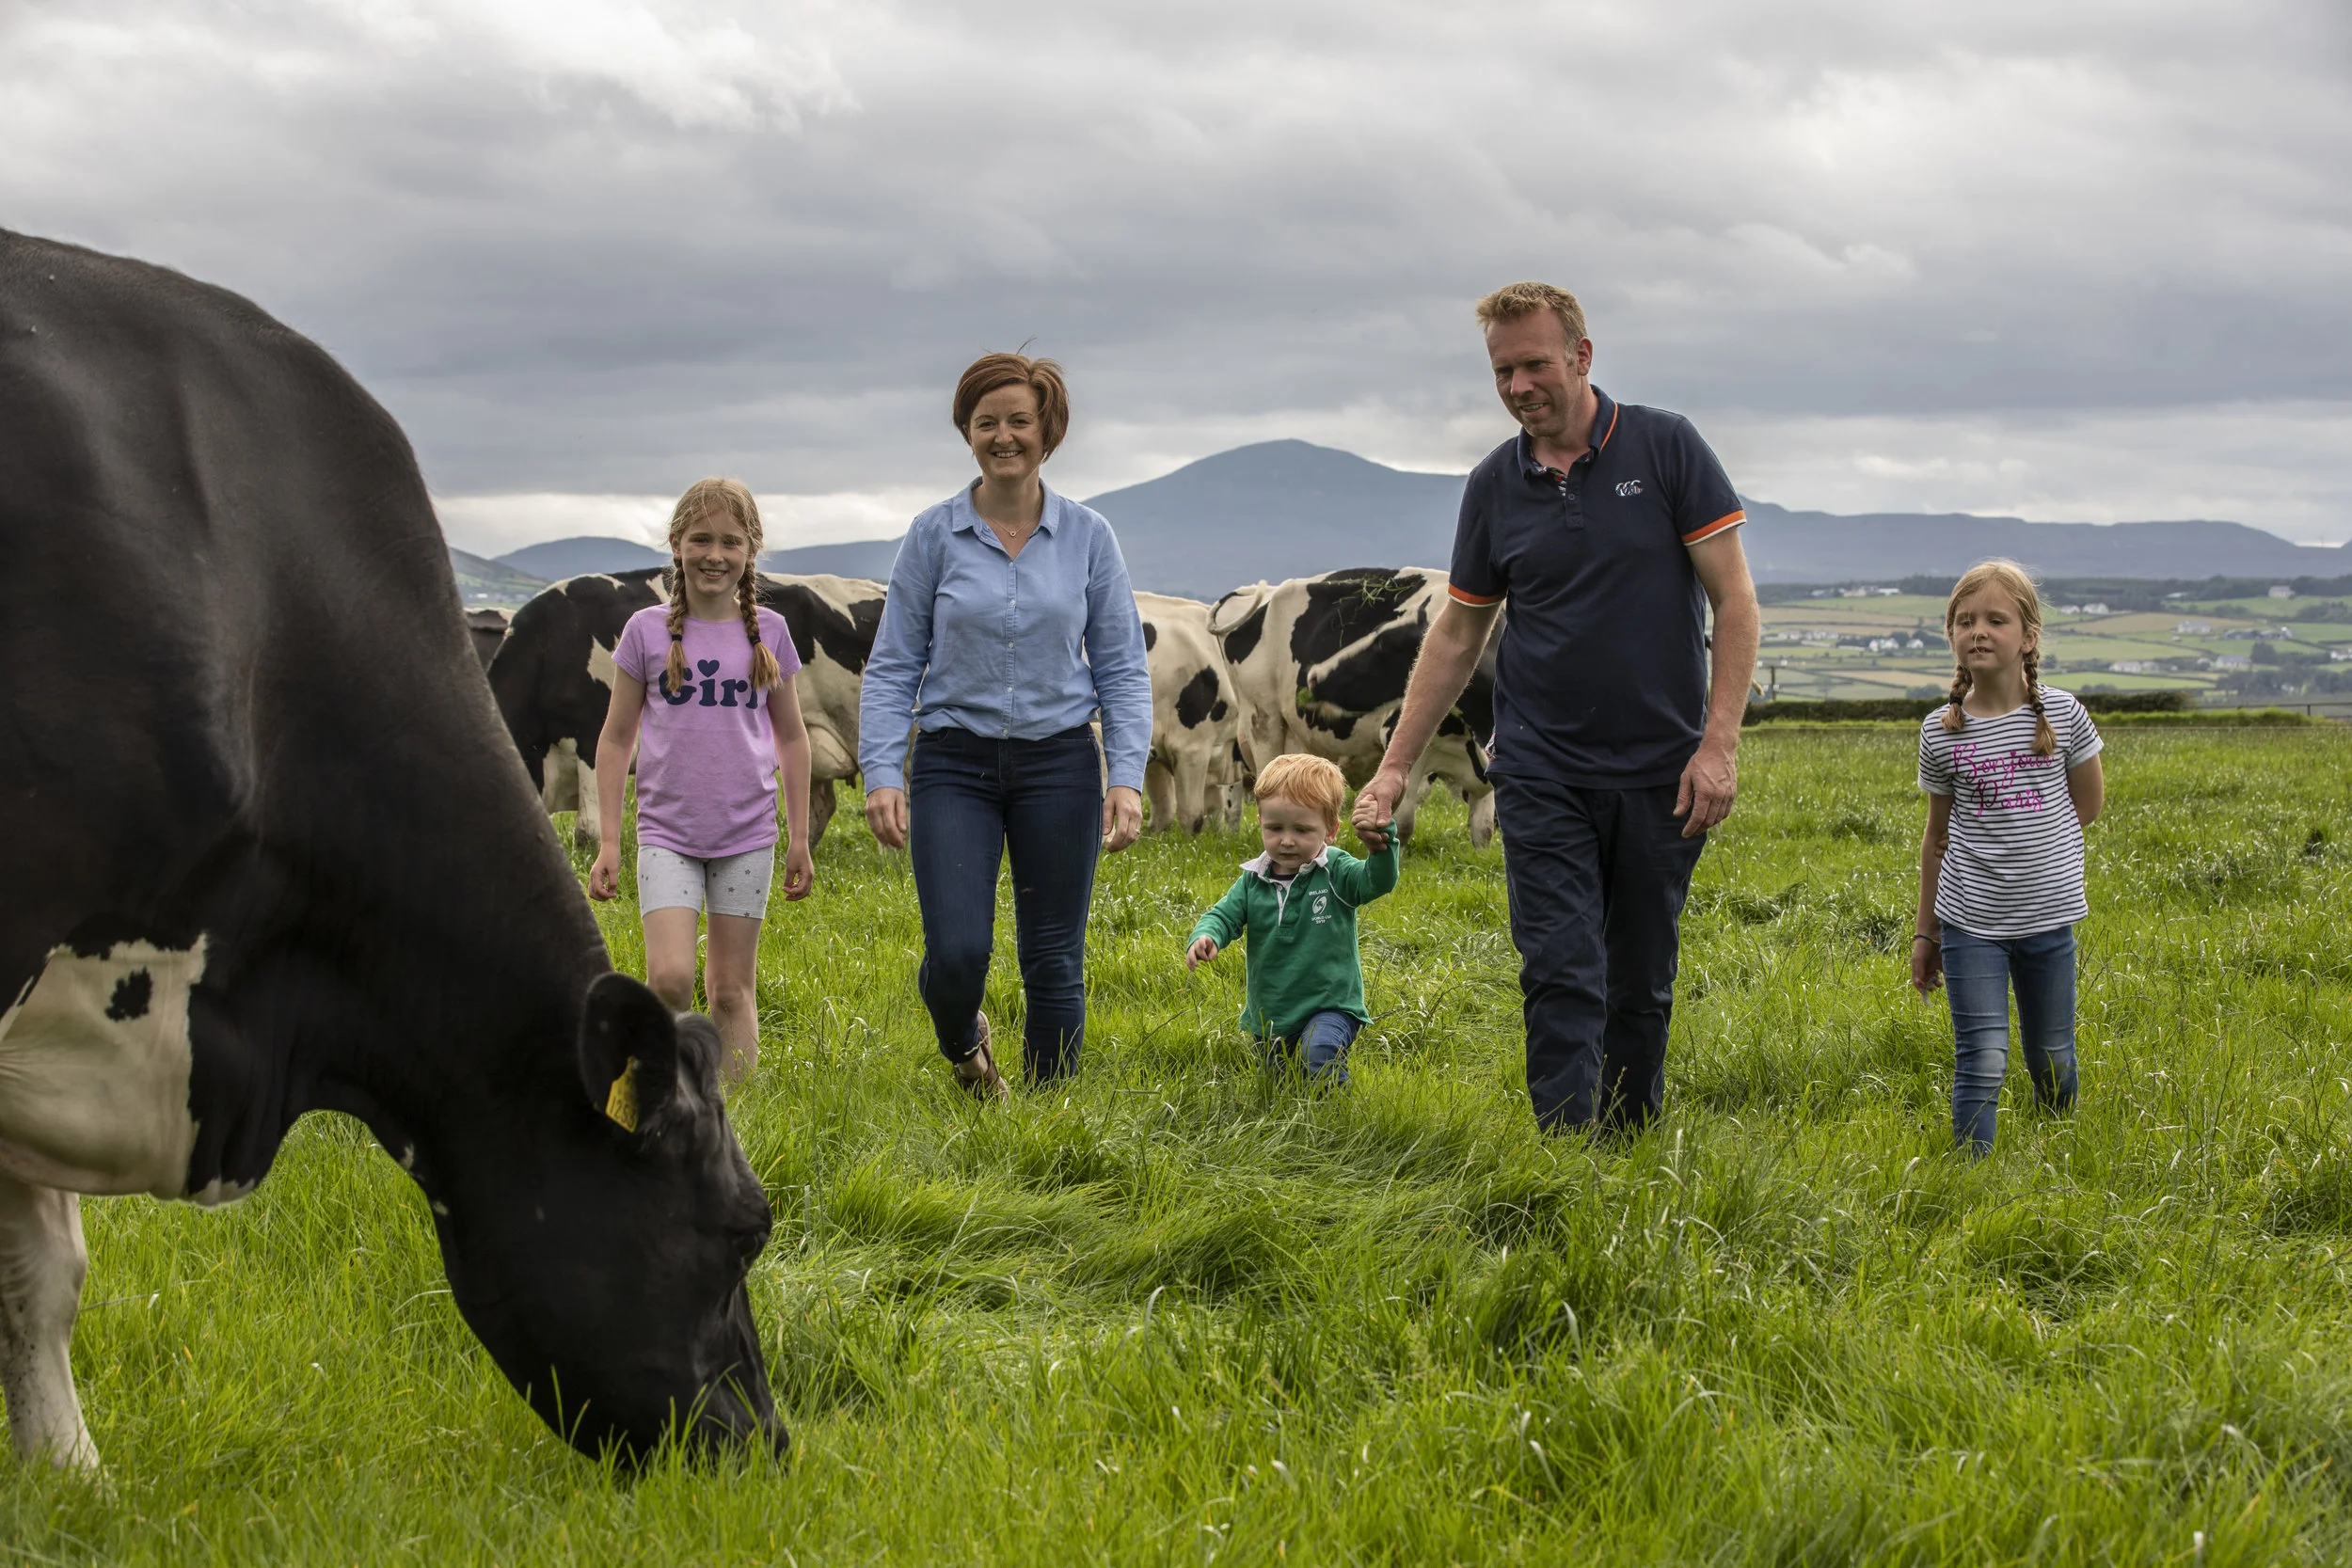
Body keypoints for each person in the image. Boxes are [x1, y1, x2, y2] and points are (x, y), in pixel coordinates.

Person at [1353, 281, 1760, 1135]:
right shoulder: (1493, 485)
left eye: (1534, 364)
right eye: (1502, 370)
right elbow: (1459, 634)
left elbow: (1734, 601)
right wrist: (1394, 767)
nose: (1517, 386)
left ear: (1581, 356)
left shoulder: (1667, 448)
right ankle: (1566, 1158)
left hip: (1663, 770)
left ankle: (1628, 1140)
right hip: (1540, 768)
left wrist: (1718, 745)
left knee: (1640, 975)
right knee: (1560, 966)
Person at [858, 352, 1152, 1098]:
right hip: (955, 763)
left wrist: (1125, 777)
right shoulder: (934, 535)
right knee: (956, 952)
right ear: (967, 430)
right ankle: (967, 1045)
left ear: (1046, 430)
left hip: (1059, 765)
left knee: (1054, 956)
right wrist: (883, 770)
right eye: (986, 421)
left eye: (1019, 420)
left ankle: (1047, 1127)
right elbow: (894, 663)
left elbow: (1121, 667)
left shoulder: (1090, 536)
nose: (1003, 435)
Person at [588, 478, 815, 1084]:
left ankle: (736, 1128)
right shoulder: (645, 631)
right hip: (668, 834)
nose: (715, 555)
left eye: (731, 543)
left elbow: (792, 738)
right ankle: (644, 1107)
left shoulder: (769, 631)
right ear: (678, 545)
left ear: (750, 553)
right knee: (668, 980)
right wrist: (610, 841)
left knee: (732, 992)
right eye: (701, 539)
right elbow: (615, 740)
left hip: (747, 834)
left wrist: (799, 837)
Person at [1911, 560, 2105, 1155]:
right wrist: (1927, 934)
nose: (1979, 632)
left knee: (2051, 1056)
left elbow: (2088, 807)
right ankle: (1970, 1180)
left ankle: (2060, 1154)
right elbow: (1936, 839)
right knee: (1984, 1055)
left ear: (2028, 636)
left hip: (2049, 922)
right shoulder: (1941, 732)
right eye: (1965, 621)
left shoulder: (2065, 716)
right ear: (1951, 637)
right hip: (1971, 924)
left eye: (1997, 619)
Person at [1185, 754, 1400, 1086]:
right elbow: (1223, 915)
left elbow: (1377, 881)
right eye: (1275, 828)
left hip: (1331, 1004)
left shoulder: (1336, 871)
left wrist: (1382, 846)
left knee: (1320, 1053)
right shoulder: (1253, 880)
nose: (1286, 840)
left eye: (1301, 830)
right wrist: (1207, 936)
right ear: (1259, 822)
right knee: (1279, 1083)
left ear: (1330, 831)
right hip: (1272, 1010)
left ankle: (1332, 1122)